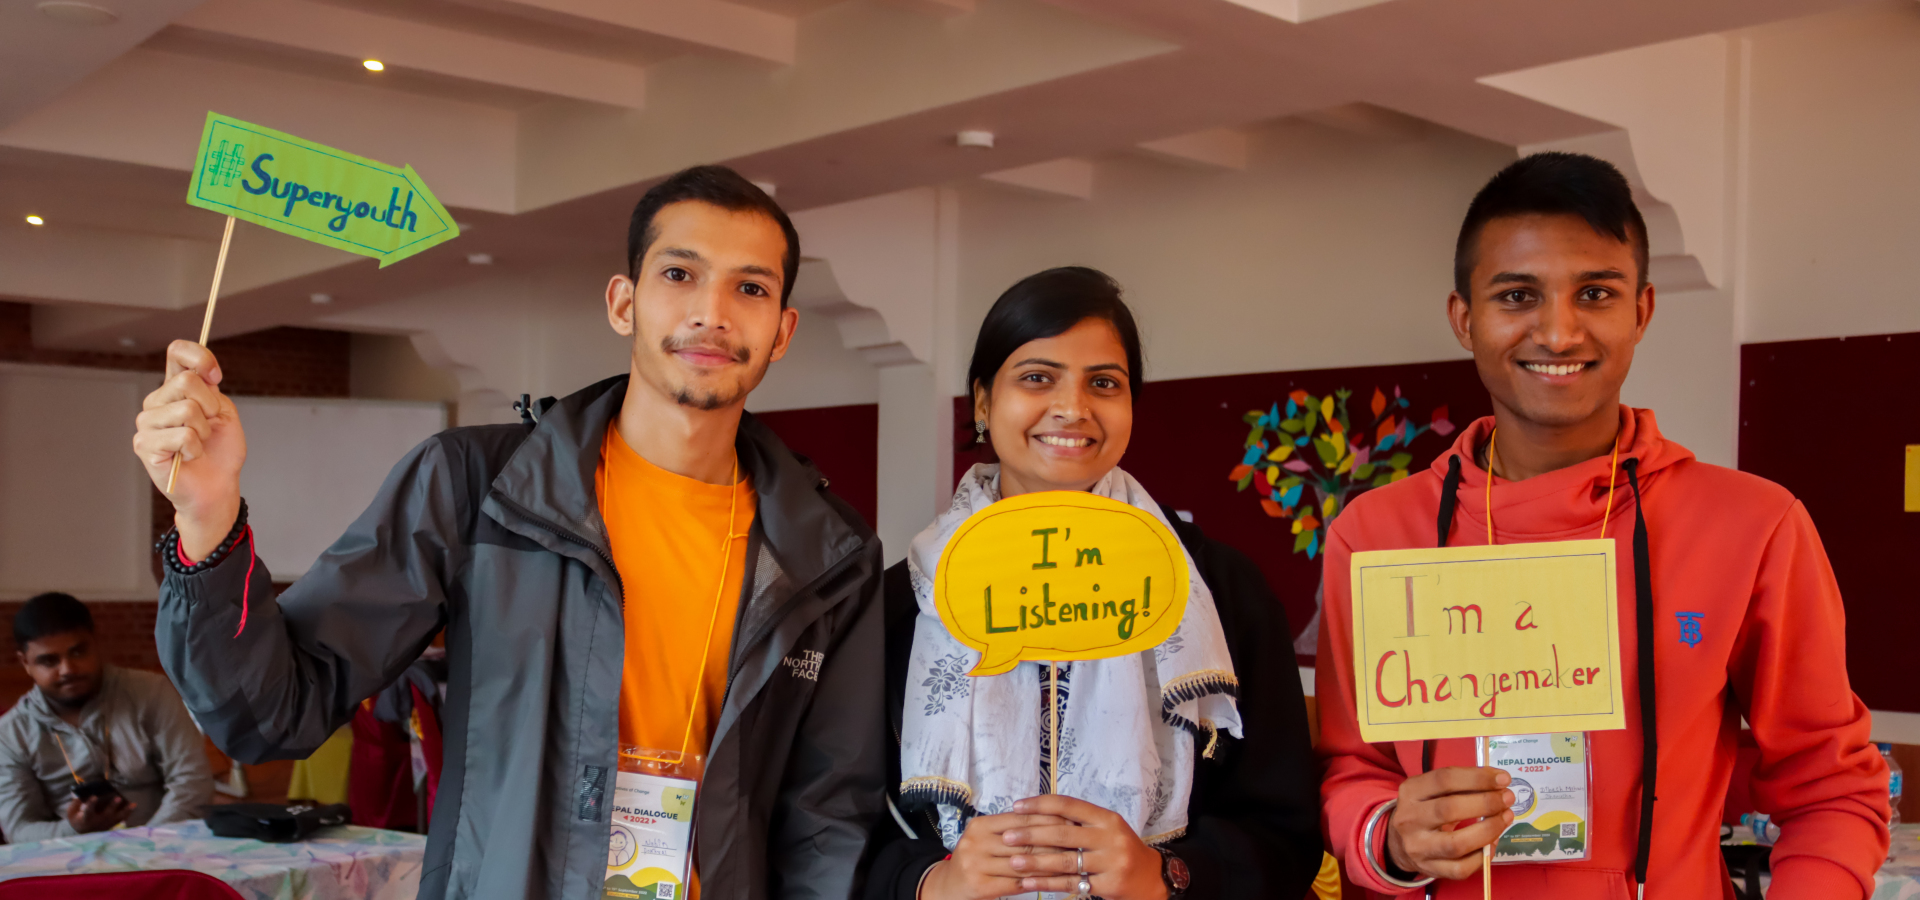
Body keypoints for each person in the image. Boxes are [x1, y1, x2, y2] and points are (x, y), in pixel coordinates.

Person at [133, 165, 888, 899]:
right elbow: (269, 714)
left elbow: (827, 820)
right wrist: (207, 513)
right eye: (679, 274)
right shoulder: (479, 488)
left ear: (782, 330)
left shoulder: (829, 556)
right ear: (624, 303)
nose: (712, 312)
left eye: (750, 288)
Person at [1316, 152, 1889, 898]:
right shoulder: (1373, 535)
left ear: (1641, 311)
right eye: (1517, 295)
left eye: (1595, 294)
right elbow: (1352, 768)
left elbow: (1830, 787)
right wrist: (1387, 836)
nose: (1558, 333)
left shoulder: (1753, 526)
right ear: (1464, 319)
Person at [865, 267, 1324, 900]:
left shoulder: (1220, 591)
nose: (1073, 408)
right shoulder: (899, 605)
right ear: (983, 402)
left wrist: (1168, 874)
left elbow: (1285, 834)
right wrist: (927, 883)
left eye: (1104, 383)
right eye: (1037, 377)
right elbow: (831, 828)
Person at [0, 592, 213, 841]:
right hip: (70, 854)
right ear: (25, 662)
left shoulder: (151, 692)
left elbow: (193, 783)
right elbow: (19, 829)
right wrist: (75, 829)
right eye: (49, 661)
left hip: (164, 843)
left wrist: (146, 841)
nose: (67, 669)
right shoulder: (10, 734)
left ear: (96, 642)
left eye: (78, 652)